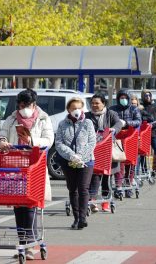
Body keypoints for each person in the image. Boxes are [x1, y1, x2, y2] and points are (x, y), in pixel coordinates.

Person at [0, 89, 54, 260]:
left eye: (26, 105)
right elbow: (2, 134)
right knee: (18, 205)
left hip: (34, 166)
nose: (23, 108)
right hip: (14, 165)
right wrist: (2, 142)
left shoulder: (43, 118)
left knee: (30, 205)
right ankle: (23, 242)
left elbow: (49, 140)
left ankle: (28, 244)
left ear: (34, 104)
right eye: (20, 105)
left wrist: (32, 142)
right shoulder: (12, 118)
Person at [55, 97, 96, 230]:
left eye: (79, 108)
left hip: (86, 161)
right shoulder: (62, 124)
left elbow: (92, 142)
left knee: (83, 188)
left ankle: (83, 219)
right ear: (68, 110)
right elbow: (59, 143)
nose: (76, 111)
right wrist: (71, 155)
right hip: (68, 161)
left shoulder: (88, 123)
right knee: (73, 189)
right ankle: (76, 218)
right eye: (73, 108)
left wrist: (80, 156)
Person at [85, 94, 122, 212]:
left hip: (107, 150)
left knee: (107, 177)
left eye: (97, 103)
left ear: (103, 104)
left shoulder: (110, 114)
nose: (94, 105)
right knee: (95, 176)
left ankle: (106, 201)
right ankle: (93, 200)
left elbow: (119, 124)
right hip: (92, 150)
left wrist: (114, 129)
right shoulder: (87, 116)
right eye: (92, 103)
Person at [109, 89, 141, 198]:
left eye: (125, 98)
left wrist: (126, 123)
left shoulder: (133, 109)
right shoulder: (113, 109)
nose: (123, 100)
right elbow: (108, 121)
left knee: (130, 162)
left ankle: (128, 183)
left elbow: (138, 121)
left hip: (130, 138)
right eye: (121, 98)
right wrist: (116, 126)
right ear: (118, 99)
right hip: (117, 139)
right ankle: (118, 184)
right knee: (118, 162)